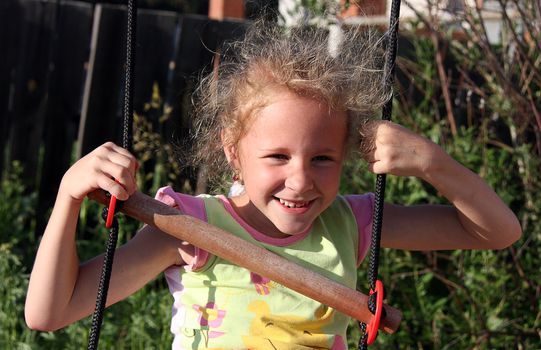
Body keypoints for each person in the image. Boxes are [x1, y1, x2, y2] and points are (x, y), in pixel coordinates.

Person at [25, 22, 521, 349]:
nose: (301, 180)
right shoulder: (186, 227)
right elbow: (52, 312)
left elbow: (495, 232)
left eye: (323, 157)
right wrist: (69, 198)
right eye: (277, 156)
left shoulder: (349, 223)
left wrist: (435, 164)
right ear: (232, 151)